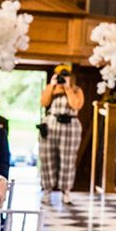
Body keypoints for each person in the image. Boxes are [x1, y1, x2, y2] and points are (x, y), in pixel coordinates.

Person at [39, 66, 84, 205]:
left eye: (65, 75)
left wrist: (68, 87)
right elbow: (43, 102)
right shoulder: (51, 89)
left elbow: (76, 105)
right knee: (47, 158)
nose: (61, 78)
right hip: (51, 125)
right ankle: (47, 190)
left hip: (70, 127)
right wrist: (52, 86)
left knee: (68, 160)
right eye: (59, 75)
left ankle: (66, 192)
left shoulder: (76, 90)